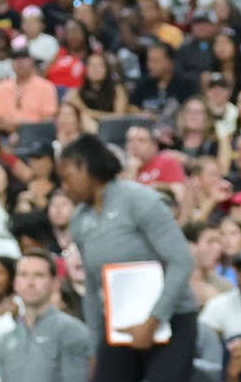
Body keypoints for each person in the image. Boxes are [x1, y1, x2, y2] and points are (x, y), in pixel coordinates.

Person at [60, 134, 197, 381]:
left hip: (171, 320)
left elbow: (181, 262)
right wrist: (95, 348)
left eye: (67, 178)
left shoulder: (140, 200)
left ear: (86, 167)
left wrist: (154, 320)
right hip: (120, 326)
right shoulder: (79, 219)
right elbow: (92, 287)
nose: (64, 186)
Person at [0, 250, 92, 382]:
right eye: (23, 275)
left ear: (54, 284)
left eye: (39, 275)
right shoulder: (7, 340)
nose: (30, 283)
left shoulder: (73, 331)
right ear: (15, 283)